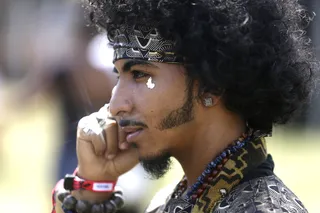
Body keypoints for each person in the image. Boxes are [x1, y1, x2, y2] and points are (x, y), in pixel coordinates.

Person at [52, 0, 317, 212]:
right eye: (118, 75)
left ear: (212, 84)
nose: (115, 105)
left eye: (141, 75)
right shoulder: (167, 202)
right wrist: (93, 186)